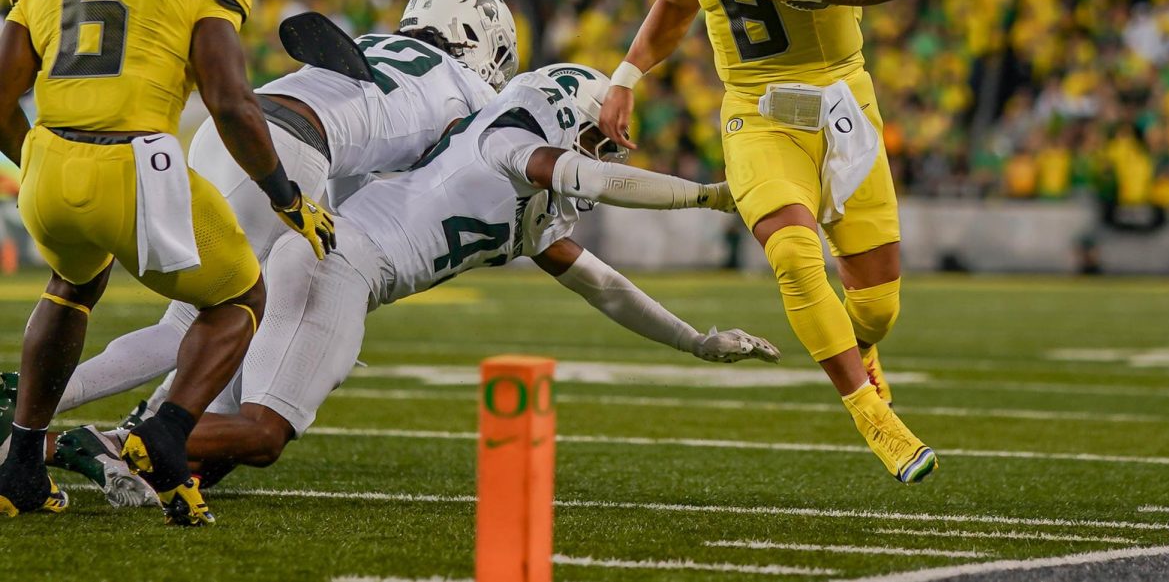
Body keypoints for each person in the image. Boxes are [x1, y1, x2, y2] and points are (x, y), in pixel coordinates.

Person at [67, 63, 778, 489]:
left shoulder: (535, 207)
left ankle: (87, 445)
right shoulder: (507, 142)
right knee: (261, 434)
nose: (595, 150)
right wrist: (707, 194)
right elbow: (588, 173)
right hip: (338, 265)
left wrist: (695, 341)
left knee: (212, 451)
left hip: (326, 261)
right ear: (567, 117)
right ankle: (104, 440)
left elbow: (608, 286)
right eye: (593, 132)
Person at [11, 0, 517, 506]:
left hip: (233, 132)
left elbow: (360, 148)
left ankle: (114, 433)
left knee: (207, 316)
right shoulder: (470, 88)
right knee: (209, 319)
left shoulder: (372, 45)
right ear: (478, 33)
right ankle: (63, 419)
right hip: (287, 152)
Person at [598, 0, 937, 483]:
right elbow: (678, 0)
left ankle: (864, 350)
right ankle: (873, 416)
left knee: (875, 308)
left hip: (843, 103)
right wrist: (626, 75)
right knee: (790, 249)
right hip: (756, 110)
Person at [0, 0, 335, 524]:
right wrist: (285, 195)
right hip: (138, 164)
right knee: (240, 295)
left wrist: (38, 156)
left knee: (71, 285)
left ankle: (20, 465)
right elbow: (232, 102)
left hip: (50, 164)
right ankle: (166, 433)